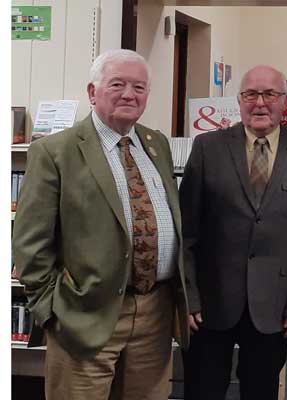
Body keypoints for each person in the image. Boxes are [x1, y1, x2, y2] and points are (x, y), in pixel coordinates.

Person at [13, 49, 189, 400]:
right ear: (93, 92)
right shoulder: (55, 151)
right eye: (117, 84)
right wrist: (52, 312)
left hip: (155, 311)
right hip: (85, 314)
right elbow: (31, 243)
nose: (129, 94)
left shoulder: (157, 144)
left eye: (139, 87)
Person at [180, 65, 287, 400]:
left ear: (284, 101)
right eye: (251, 94)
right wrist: (187, 296)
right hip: (210, 303)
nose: (260, 103)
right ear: (239, 100)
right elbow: (186, 231)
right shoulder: (208, 147)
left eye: (270, 94)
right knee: (203, 390)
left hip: (273, 306)